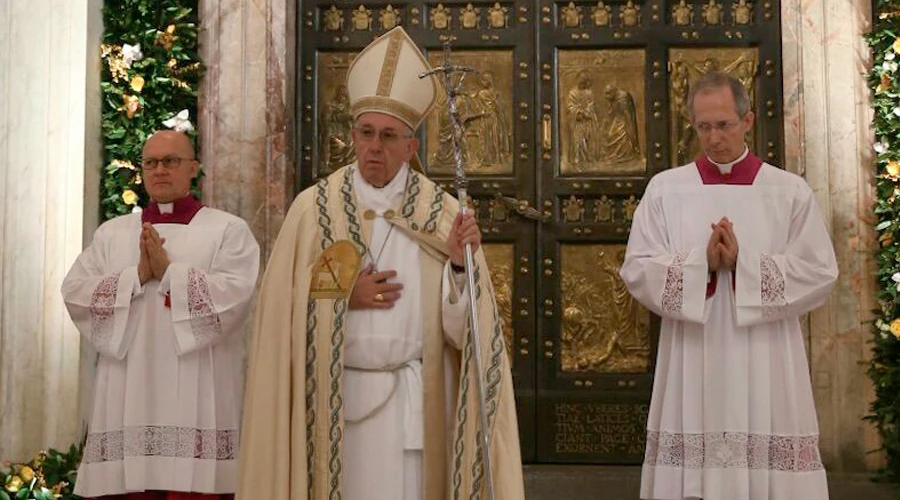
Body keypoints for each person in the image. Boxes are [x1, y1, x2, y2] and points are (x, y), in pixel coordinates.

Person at [237, 26, 524, 500]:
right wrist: (344, 297)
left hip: (415, 409)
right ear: (352, 135)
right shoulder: (314, 210)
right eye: (366, 132)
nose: (374, 146)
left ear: (412, 146)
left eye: (388, 136)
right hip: (336, 408)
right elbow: (277, 312)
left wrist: (458, 267)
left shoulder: (443, 214)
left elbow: (468, 333)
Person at [619, 71, 837, 500]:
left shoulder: (788, 192)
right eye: (703, 126)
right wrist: (700, 264)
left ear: (748, 120)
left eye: (724, 125)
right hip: (693, 347)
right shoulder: (666, 190)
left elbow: (820, 271)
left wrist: (744, 264)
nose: (714, 138)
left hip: (766, 349)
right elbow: (637, 268)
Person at [62, 130, 260, 499]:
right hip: (128, 384)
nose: (159, 170)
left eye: (170, 161)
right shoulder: (112, 234)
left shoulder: (227, 230)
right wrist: (136, 276)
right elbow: (75, 292)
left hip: (198, 387)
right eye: (151, 162)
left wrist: (169, 273)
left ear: (193, 168)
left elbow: (235, 296)